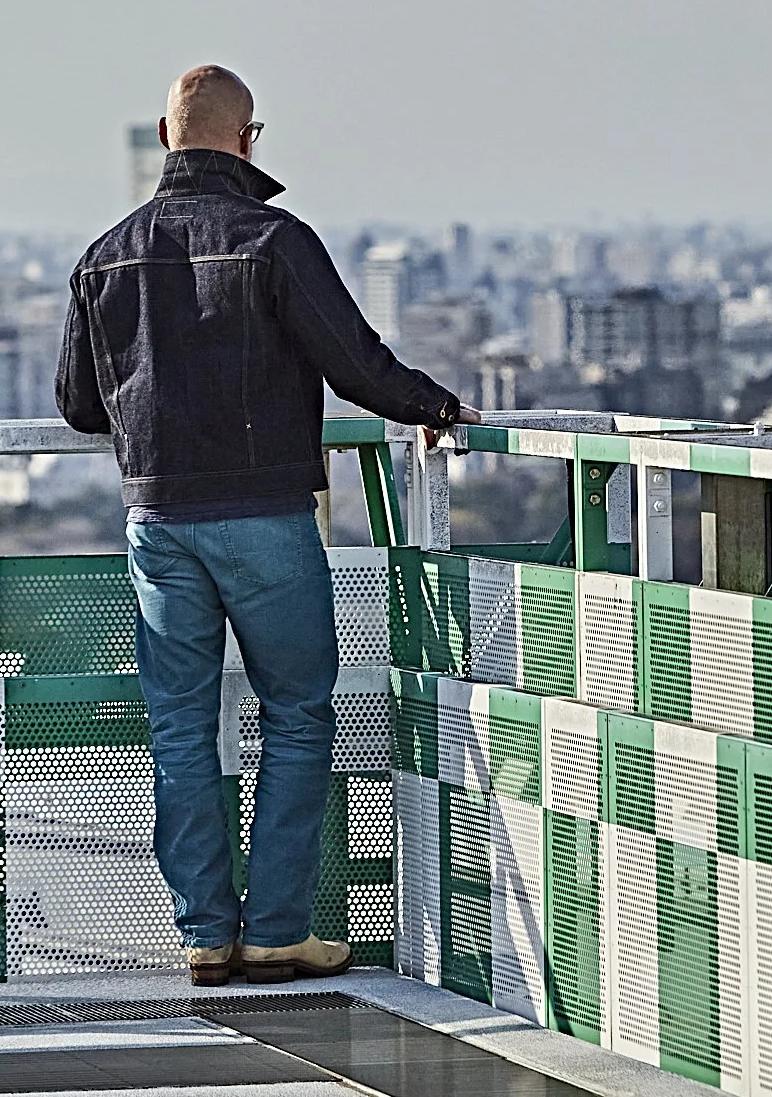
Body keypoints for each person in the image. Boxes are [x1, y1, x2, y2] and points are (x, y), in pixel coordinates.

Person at [56, 64, 478, 985]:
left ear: (164, 137)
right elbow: (355, 361)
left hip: (158, 520)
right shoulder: (274, 240)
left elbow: (80, 407)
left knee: (179, 725)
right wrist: (431, 404)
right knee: (295, 713)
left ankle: (206, 931)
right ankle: (278, 927)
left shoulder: (104, 255)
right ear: (249, 140)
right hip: (265, 518)